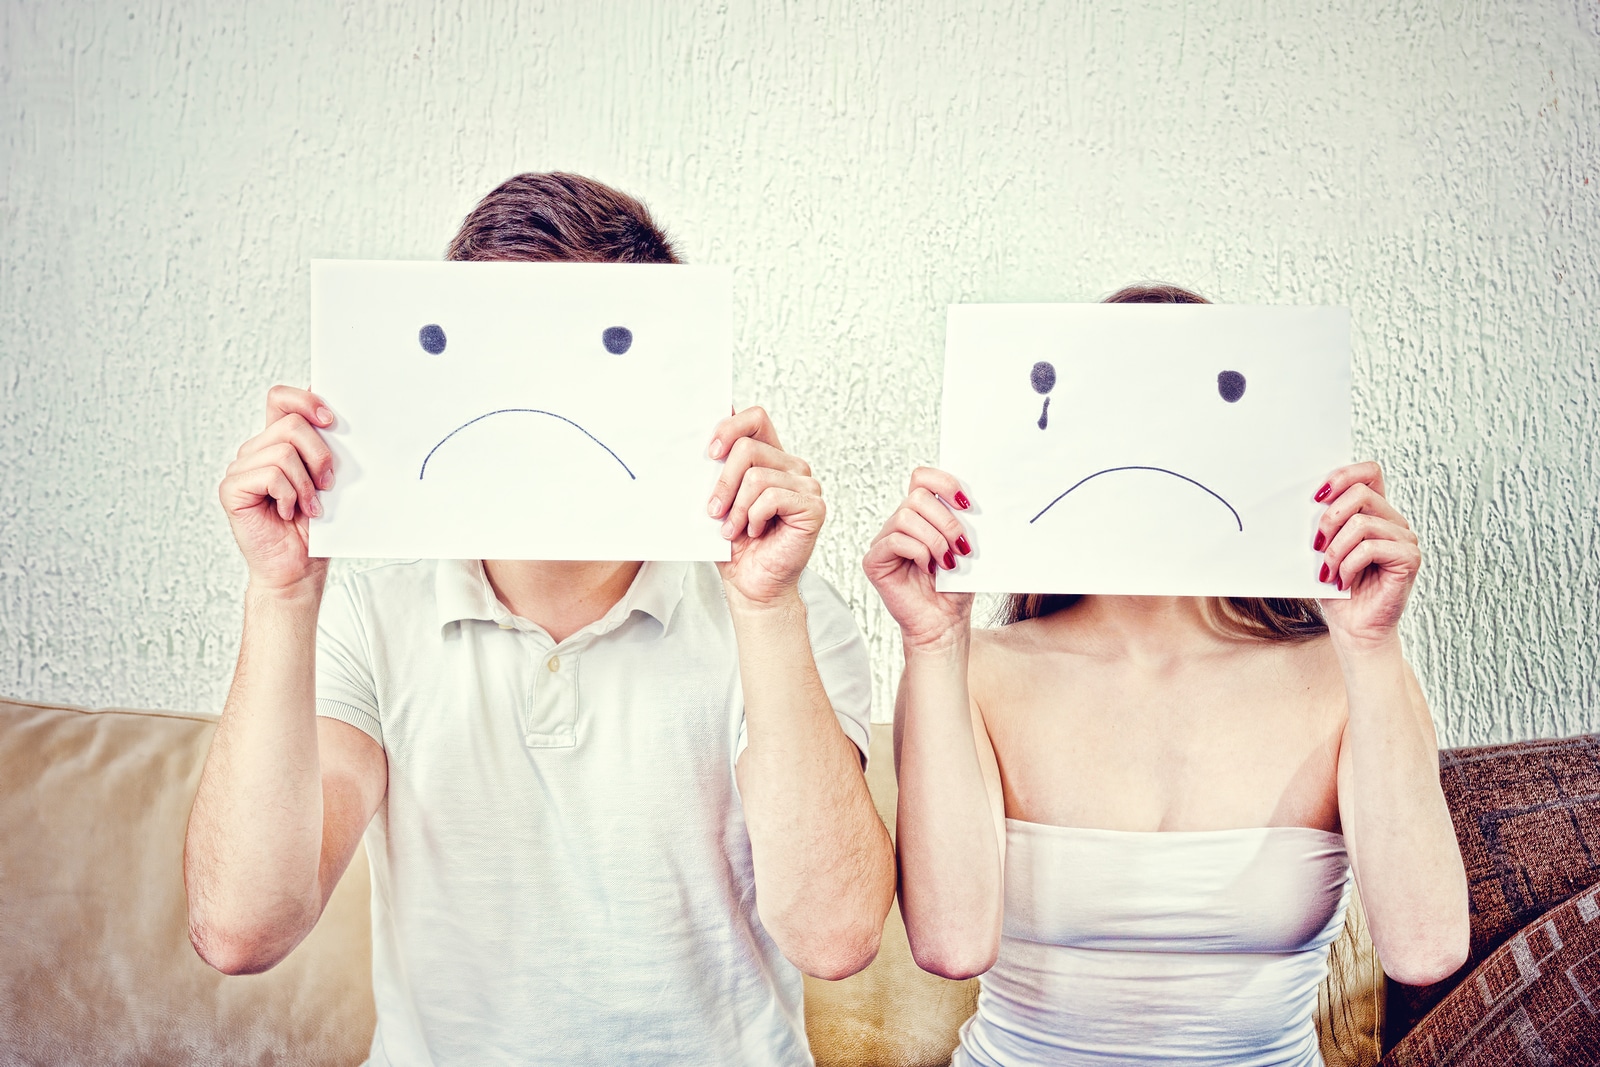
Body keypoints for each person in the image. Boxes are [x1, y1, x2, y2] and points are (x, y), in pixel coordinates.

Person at [184, 172, 895, 1067]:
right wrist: (281, 596)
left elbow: (835, 938)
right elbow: (241, 930)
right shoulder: (366, 612)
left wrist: (765, 608)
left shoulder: (787, 612)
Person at [864, 283, 1469, 1066]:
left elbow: (1425, 947)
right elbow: (949, 943)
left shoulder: (1342, 674)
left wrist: (1369, 644)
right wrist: (935, 642)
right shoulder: (975, 671)